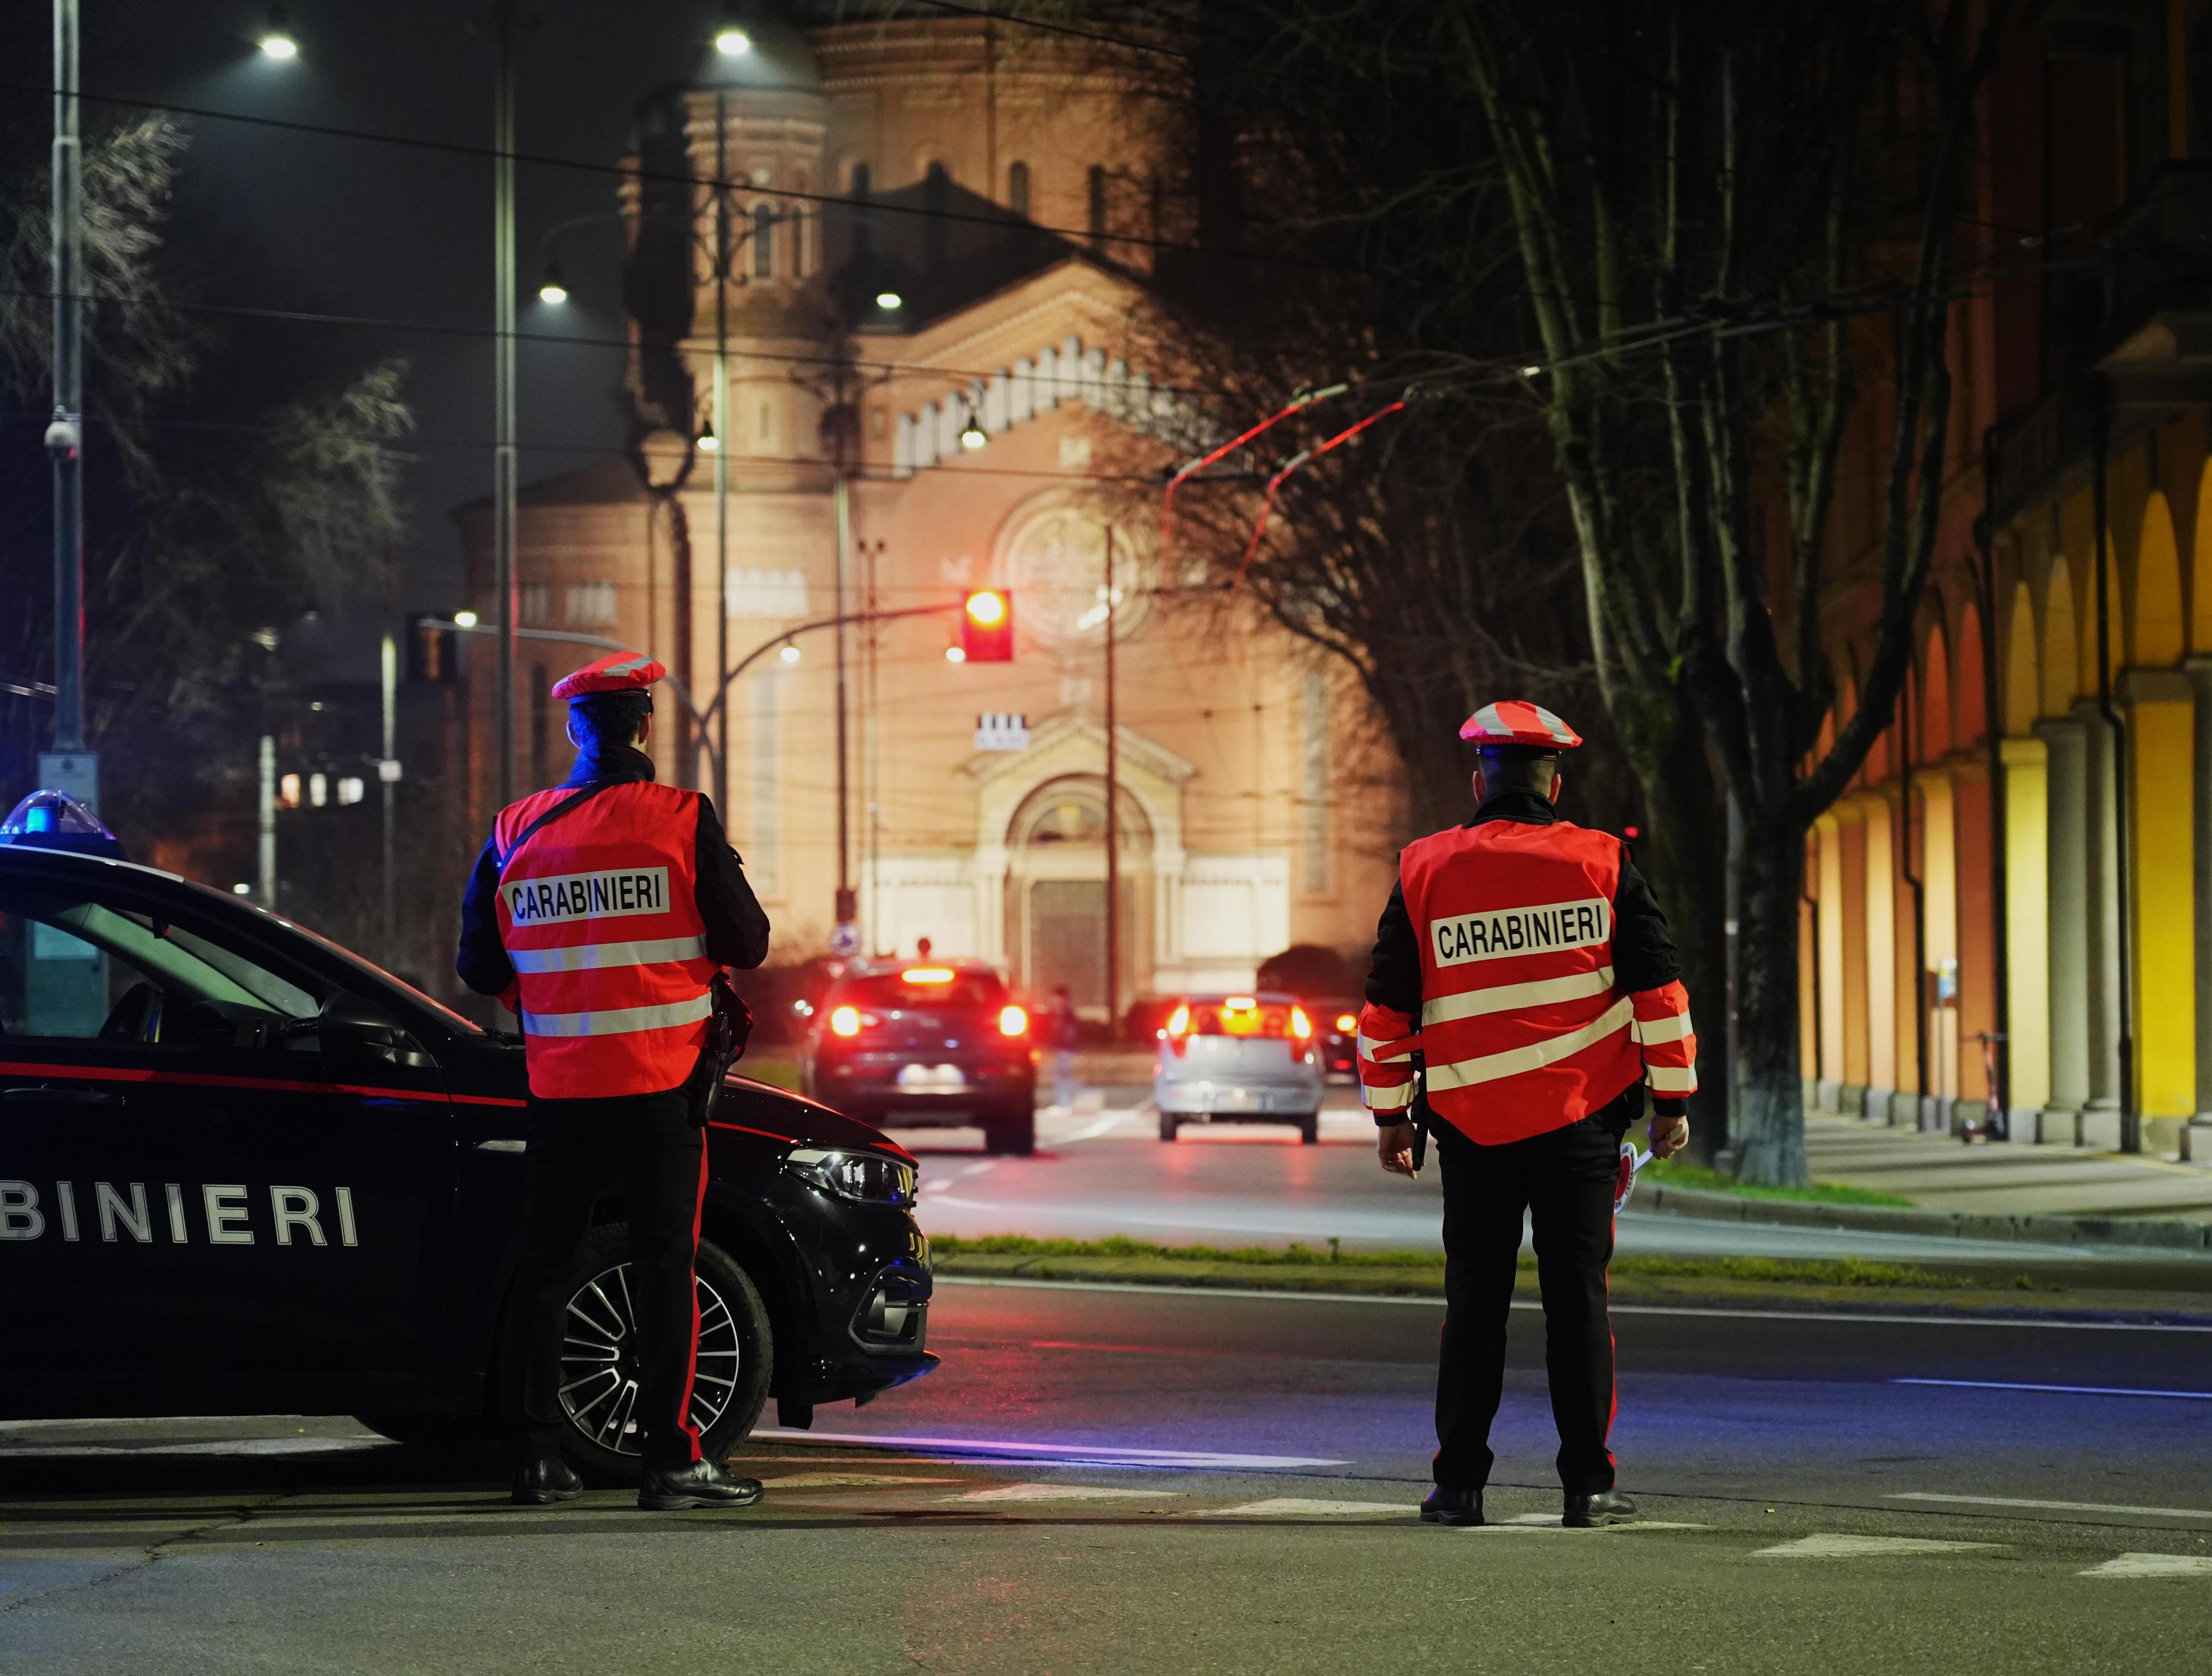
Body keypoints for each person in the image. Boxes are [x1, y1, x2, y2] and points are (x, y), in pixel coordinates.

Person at [1359, 700, 1696, 1529]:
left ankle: (1458, 1485)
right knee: (1578, 1300)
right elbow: (1659, 988)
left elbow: (1387, 1005)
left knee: (1475, 1302)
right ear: (1556, 781)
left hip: (1472, 1127)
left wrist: (1391, 1115)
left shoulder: (1424, 868)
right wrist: (1672, 1099)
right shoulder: (1604, 862)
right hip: (1580, 1125)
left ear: (1480, 781)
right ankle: (1589, 1484)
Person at [457, 652, 771, 1511]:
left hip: (559, 1083)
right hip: (661, 1083)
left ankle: (536, 1459)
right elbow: (747, 941)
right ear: (644, 728)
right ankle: (671, 1459)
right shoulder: (677, 817)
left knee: (548, 1266)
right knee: (664, 1266)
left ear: (573, 732)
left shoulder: (515, 827)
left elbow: (478, 963)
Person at [1048, 983, 1081, 1110]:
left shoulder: (1067, 1013)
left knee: (1063, 1075)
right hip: (1062, 1049)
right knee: (1062, 1075)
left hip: (1066, 1049)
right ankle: (1063, 1101)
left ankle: (1064, 1102)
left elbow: (1069, 1032)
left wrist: (1064, 1044)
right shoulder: (1060, 1012)